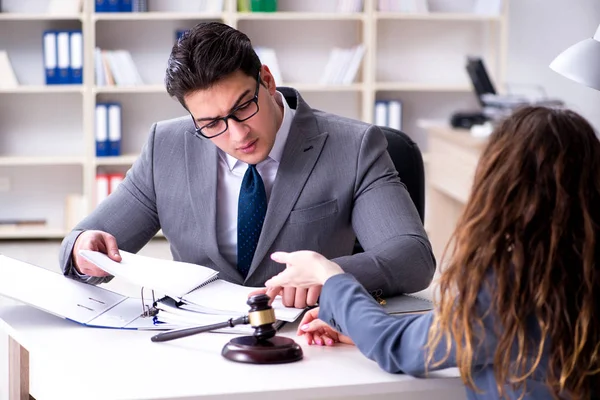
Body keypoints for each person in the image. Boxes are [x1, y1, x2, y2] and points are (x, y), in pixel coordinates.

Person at [58, 22, 435, 308]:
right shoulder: (166, 147)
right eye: (211, 123)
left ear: (267, 81)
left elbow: (412, 257)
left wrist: (329, 275)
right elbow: (84, 240)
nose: (237, 135)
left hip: (308, 337)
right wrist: (82, 251)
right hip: (196, 338)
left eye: (243, 107)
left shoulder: (352, 147)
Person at [264, 106, 600, 399]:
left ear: (499, 185)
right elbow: (436, 334)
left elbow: (395, 345)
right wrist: (358, 325)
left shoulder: (510, 289)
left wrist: (329, 274)